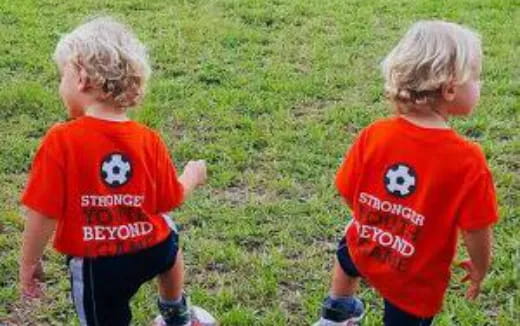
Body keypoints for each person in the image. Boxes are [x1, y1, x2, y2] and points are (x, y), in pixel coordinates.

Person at [19, 16, 216, 326]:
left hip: (99, 267)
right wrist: (191, 175)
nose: (60, 86)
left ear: (81, 78)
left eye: (62, 77)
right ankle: (176, 312)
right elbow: (169, 198)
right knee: (169, 236)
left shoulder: (61, 140)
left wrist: (29, 261)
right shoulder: (148, 138)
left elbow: (43, 211)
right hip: (153, 249)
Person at [314, 20, 499, 326]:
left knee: (348, 252)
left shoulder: (375, 133)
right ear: (450, 89)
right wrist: (480, 266)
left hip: (367, 242)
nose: (481, 85)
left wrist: (382, 223)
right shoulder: (467, 160)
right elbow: (477, 228)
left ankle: (337, 311)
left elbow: (348, 190)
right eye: (477, 77)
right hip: (415, 276)